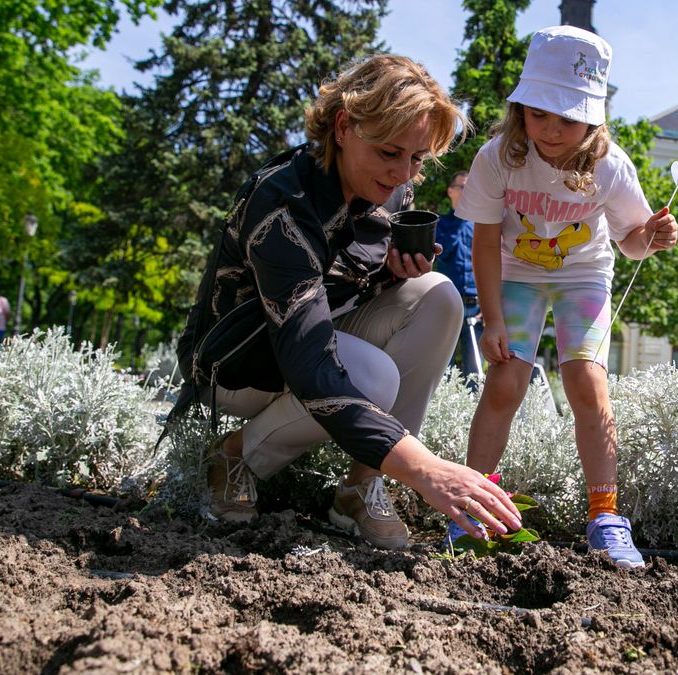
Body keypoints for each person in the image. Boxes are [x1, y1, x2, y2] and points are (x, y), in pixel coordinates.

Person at [173, 55, 521, 549]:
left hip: (310, 339)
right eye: (389, 153)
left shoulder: (390, 190)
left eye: (418, 159)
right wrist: (426, 469)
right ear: (343, 126)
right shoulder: (284, 208)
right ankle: (234, 457)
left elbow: (340, 286)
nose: (403, 173)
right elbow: (311, 361)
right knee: (372, 375)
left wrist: (388, 274)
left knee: (439, 296)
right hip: (234, 363)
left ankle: (361, 487)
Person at [450, 25, 678, 568]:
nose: (551, 130)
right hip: (515, 273)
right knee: (506, 378)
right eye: (538, 114)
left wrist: (654, 236)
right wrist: (493, 319)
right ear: (520, 109)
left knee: (586, 378)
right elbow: (483, 240)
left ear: (593, 119)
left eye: (568, 118)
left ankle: (605, 517)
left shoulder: (610, 166)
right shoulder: (497, 158)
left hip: (584, 275)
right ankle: (471, 513)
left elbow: (631, 242)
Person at [435, 170, 481, 381]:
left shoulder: (482, 225)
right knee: (445, 367)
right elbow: (443, 254)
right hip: (448, 304)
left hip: (476, 307)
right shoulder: (440, 224)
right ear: (450, 191)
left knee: (477, 368)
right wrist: (459, 219)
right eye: (463, 187)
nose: (467, 192)